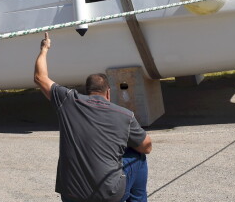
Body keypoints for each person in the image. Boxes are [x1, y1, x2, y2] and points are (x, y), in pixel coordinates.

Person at [34, 32, 152, 202]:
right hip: (107, 196)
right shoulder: (125, 116)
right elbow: (147, 147)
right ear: (108, 93)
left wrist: (44, 49)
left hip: (71, 195)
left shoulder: (68, 101)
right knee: (138, 157)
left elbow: (40, 77)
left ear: (87, 91)